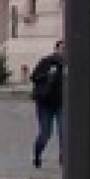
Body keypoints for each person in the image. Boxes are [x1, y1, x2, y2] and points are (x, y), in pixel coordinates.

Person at [29, 40, 66, 168]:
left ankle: (64, 158)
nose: (64, 52)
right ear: (56, 49)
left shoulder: (71, 65)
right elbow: (34, 77)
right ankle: (37, 155)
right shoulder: (46, 61)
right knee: (45, 133)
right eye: (62, 49)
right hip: (45, 102)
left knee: (64, 131)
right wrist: (48, 76)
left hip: (62, 103)